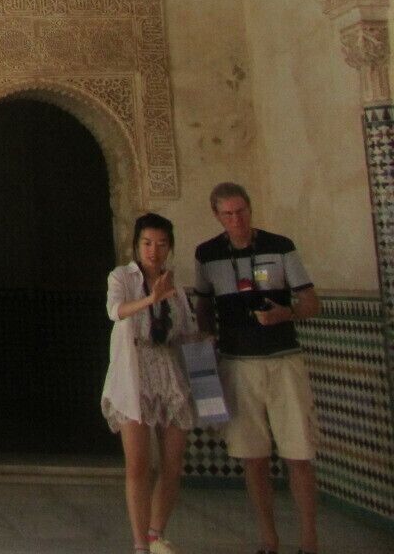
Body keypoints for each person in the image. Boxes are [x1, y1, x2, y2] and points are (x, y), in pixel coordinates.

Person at [193, 183, 321, 554]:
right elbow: (204, 306)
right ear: (217, 215)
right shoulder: (207, 254)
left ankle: (309, 541)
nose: (237, 220)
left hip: (283, 360)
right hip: (237, 364)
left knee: (298, 452)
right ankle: (269, 540)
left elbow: (311, 302)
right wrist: (206, 346)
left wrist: (286, 313)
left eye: (241, 211)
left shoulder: (280, 246)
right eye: (228, 214)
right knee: (253, 456)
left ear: (251, 208)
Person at [103, 212, 198, 554]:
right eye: (146, 244)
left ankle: (157, 534)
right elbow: (116, 311)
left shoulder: (177, 287)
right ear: (136, 245)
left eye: (160, 244)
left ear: (169, 247)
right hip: (134, 373)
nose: (153, 251)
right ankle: (140, 543)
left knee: (172, 463)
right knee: (138, 464)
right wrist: (150, 298)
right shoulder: (121, 277)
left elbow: (185, 332)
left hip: (169, 373)